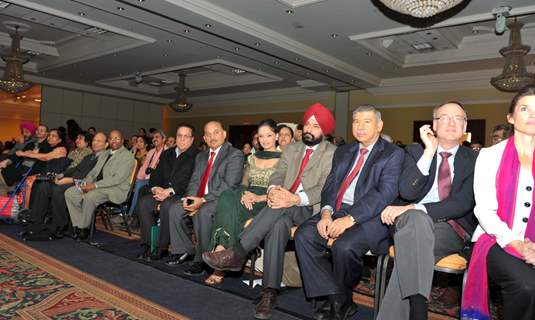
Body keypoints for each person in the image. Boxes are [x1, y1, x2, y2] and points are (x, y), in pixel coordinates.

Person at [203, 102, 337, 320]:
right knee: (278, 223)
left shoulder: (332, 153)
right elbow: (278, 174)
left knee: (278, 209)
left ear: (325, 130)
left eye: (316, 126)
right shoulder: (292, 148)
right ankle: (269, 292)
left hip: (308, 207)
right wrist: (274, 190)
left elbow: (325, 186)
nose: (310, 129)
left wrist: (294, 198)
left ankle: (238, 252)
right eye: (308, 125)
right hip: (282, 206)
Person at [295, 105, 404, 320]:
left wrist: (350, 219)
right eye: (356, 121)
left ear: (379, 125)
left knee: (344, 247)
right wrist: (326, 213)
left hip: (372, 217)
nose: (360, 126)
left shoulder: (394, 154)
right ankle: (338, 297)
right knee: (304, 235)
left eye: (367, 121)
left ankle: (336, 301)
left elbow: (385, 193)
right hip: (337, 209)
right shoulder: (344, 151)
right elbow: (330, 184)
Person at [377, 101, 478, 320]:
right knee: (415, 221)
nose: (451, 122)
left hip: (450, 226)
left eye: (457, 118)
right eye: (444, 117)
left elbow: (463, 203)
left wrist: (416, 208)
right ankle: (418, 308)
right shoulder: (415, 151)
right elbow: (406, 192)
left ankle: (416, 305)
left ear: (465, 126)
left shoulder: (475, 159)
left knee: (411, 249)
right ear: (434, 124)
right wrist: (429, 152)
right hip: (409, 222)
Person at [461, 85, 535, 320]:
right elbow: (484, 210)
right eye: (525, 108)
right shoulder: (489, 156)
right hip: (496, 238)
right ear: (511, 117)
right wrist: (517, 243)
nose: (532, 114)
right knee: (526, 286)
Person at [204, 119, 281, 285]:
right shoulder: (253, 158)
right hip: (248, 194)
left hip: (268, 199)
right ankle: (221, 249)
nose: (265, 139)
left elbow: (284, 190)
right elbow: (244, 183)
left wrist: (259, 197)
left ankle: (220, 265)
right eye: (261, 136)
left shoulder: (285, 159)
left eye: (269, 135)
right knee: (226, 196)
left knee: (234, 211)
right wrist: (246, 193)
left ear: (276, 136)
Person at [166, 121, 244, 276]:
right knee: (175, 208)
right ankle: (184, 250)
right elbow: (194, 181)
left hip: (221, 200)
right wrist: (191, 198)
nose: (212, 137)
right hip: (200, 198)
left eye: (216, 132)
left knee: (204, 213)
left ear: (224, 134)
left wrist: (202, 201)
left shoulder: (234, 154)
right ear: (204, 138)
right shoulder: (201, 156)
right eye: (208, 134)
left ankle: (202, 259)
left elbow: (229, 185)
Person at [21, 132, 108, 241]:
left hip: (83, 184)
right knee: (44, 186)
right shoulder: (89, 156)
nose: (95, 143)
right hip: (72, 179)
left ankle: (57, 229)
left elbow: (97, 177)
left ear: (106, 144)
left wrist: (71, 180)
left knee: (58, 190)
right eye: (94, 140)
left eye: (99, 141)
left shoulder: (106, 159)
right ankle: (35, 225)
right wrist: (61, 175)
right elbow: (75, 169)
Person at [136, 124, 198, 261]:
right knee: (144, 202)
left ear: (192, 139)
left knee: (167, 205)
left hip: (181, 193)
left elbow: (192, 181)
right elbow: (155, 175)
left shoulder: (197, 156)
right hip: (162, 191)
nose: (182, 139)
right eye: (179, 136)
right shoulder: (167, 153)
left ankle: (161, 247)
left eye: (186, 136)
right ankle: (148, 244)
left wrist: (170, 191)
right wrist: (155, 188)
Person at [64, 130, 135, 241]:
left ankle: (84, 229)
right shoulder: (105, 153)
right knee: (70, 193)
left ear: (122, 140)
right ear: (109, 141)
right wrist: (85, 183)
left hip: (114, 189)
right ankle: (79, 225)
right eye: (111, 138)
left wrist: (94, 186)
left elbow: (117, 179)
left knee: (90, 196)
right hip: (97, 186)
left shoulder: (127, 156)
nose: (114, 141)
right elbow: (93, 172)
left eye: (117, 138)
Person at [128, 129, 165, 217]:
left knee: (140, 185)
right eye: (153, 137)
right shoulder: (151, 152)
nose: (154, 139)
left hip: (160, 180)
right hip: (148, 178)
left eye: (157, 137)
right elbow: (145, 168)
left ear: (163, 139)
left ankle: (132, 215)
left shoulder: (167, 152)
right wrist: (138, 178)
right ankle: (132, 214)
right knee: (138, 183)